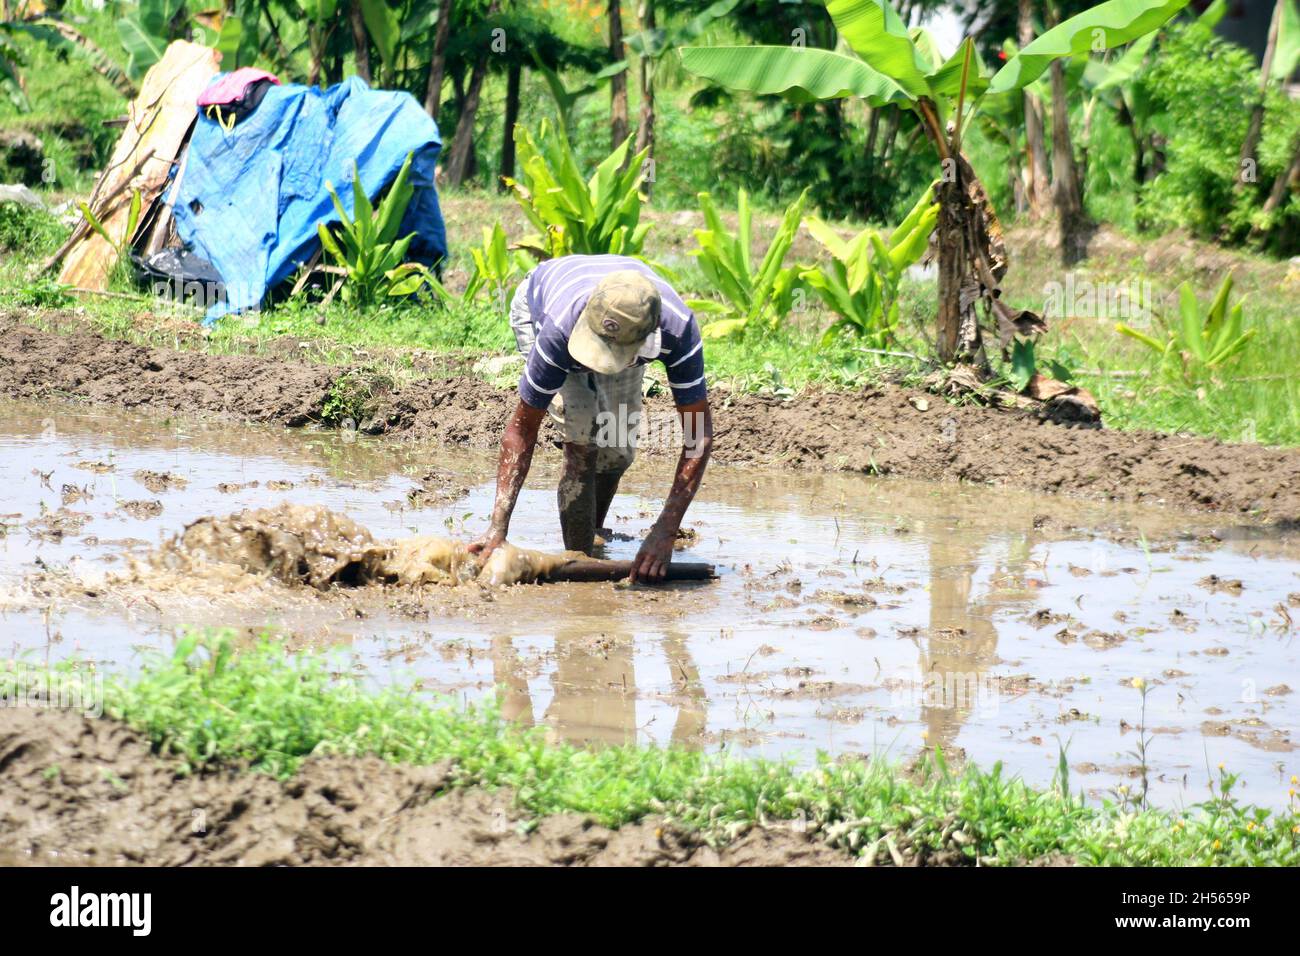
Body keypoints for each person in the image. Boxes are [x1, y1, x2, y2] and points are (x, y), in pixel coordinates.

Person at [469, 254, 712, 582]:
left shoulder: (678, 331)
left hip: (628, 340)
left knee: (617, 449)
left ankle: (590, 537)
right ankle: (579, 557)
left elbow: (697, 436)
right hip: (542, 309)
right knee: (584, 439)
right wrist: (496, 529)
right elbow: (522, 430)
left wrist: (665, 529)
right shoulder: (559, 329)